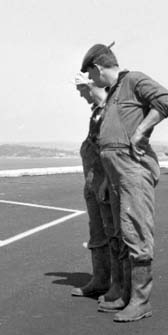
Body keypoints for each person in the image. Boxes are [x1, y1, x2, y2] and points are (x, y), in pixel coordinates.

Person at [80, 43, 168, 322]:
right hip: (116, 174)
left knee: (136, 232)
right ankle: (125, 293)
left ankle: (140, 301)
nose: (91, 80)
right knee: (121, 232)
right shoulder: (113, 93)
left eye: (90, 74)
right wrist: (106, 179)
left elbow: (166, 100)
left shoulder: (133, 80)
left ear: (98, 67)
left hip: (133, 169)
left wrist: (141, 131)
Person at [71, 72, 120, 300]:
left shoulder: (111, 110)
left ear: (90, 85)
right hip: (92, 181)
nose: (81, 95)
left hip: (105, 182)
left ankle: (117, 287)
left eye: (81, 89)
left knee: (113, 233)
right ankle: (100, 280)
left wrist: (108, 181)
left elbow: (113, 150)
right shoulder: (97, 112)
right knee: (97, 232)